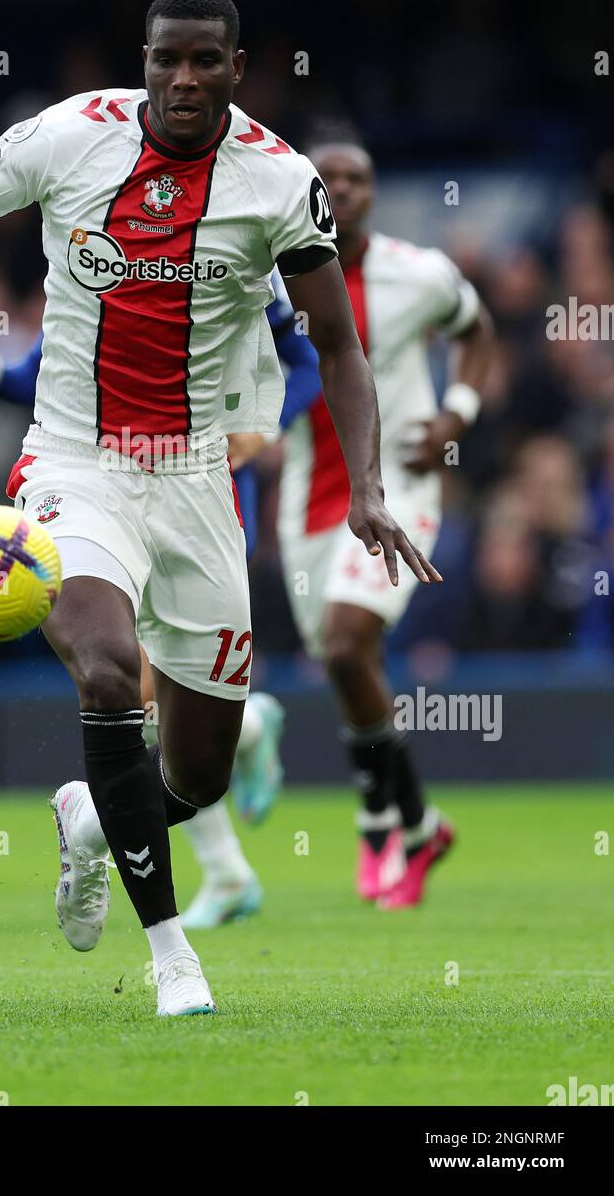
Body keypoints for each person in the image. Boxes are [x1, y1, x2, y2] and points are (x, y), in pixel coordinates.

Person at [0, 0, 439, 1017]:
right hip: (73, 460)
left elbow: (337, 342)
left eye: (204, 62)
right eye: (164, 59)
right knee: (106, 675)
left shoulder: (279, 180)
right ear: (143, 60)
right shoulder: (71, 134)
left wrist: (366, 486)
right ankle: (172, 954)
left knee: (197, 777)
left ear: (236, 69)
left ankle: (89, 817)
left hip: (195, 479)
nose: (182, 79)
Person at [0, 271, 324, 929]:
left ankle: (227, 763)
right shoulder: (98, 241)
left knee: (160, 708)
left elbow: (310, 359)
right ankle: (229, 845)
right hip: (105, 510)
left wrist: (265, 426)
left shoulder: (240, 235)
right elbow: (54, 385)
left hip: (200, 505)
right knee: (143, 699)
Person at [276, 142, 493, 908]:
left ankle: (376, 826)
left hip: (398, 483)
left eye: (356, 178)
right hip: (307, 496)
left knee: (345, 641)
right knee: (347, 667)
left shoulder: (419, 272)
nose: (340, 188)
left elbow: (478, 330)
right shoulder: (269, 275)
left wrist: (454, 413)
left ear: (373, 193)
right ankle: (422, 822)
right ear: (305, 188)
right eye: (326, 177)